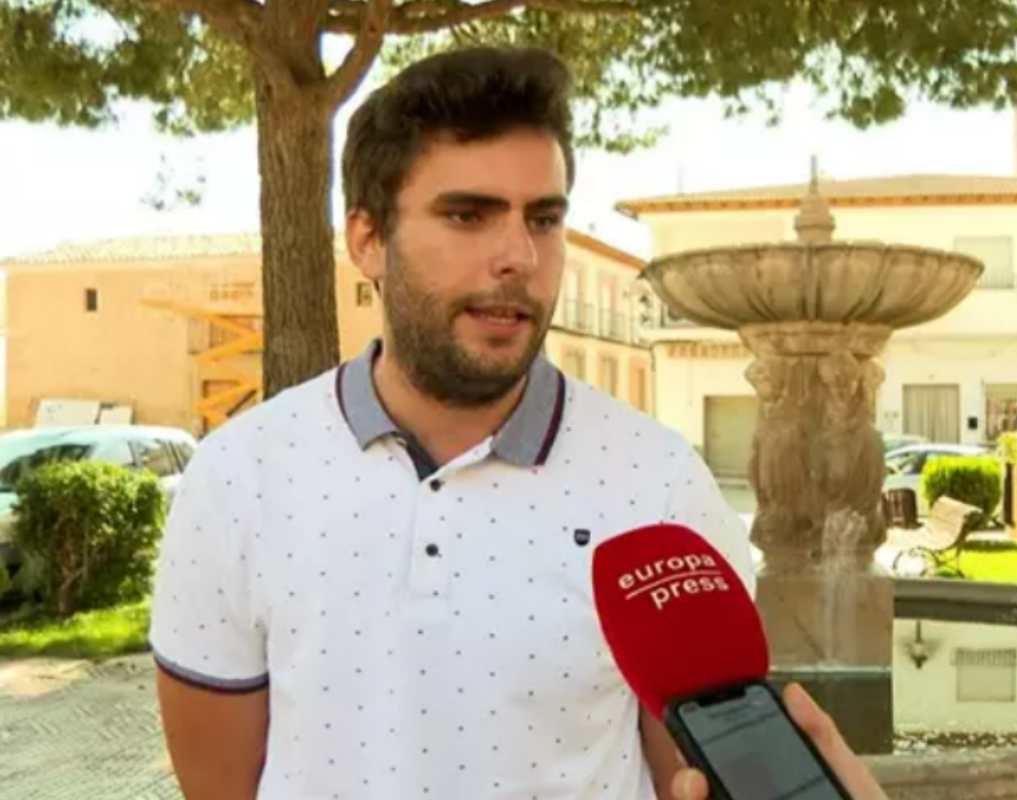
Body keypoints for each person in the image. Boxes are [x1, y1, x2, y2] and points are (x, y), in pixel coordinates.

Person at [150, 45, 888, 800]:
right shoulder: (239, 477)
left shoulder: (660, 484)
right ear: (368, 239)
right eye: (467, 215)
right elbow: (221, 784)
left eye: (544, 218)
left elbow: (695, 778)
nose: (518, 256)